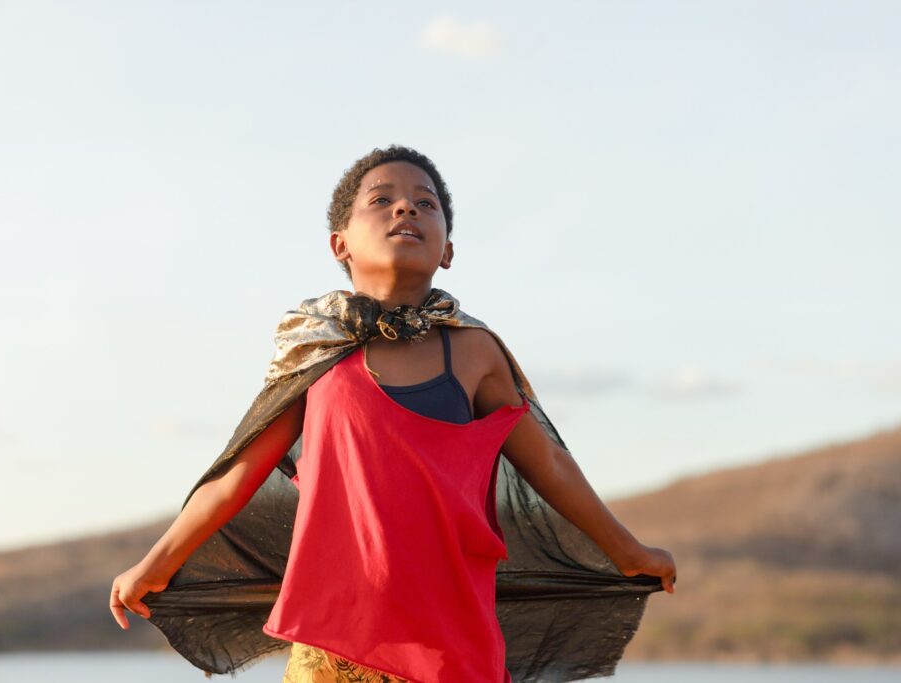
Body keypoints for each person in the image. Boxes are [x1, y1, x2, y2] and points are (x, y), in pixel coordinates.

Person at [110, 145, 677, 682]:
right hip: (335, 639)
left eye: (426, 202)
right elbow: (235, 477)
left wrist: (629, 551)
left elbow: (548, 464)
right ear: (341, 245)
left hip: (452, 636)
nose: (406, 206)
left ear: (447, 250)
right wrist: (157, 564)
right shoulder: (313, 354)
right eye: (381, 199)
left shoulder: (476, 352)